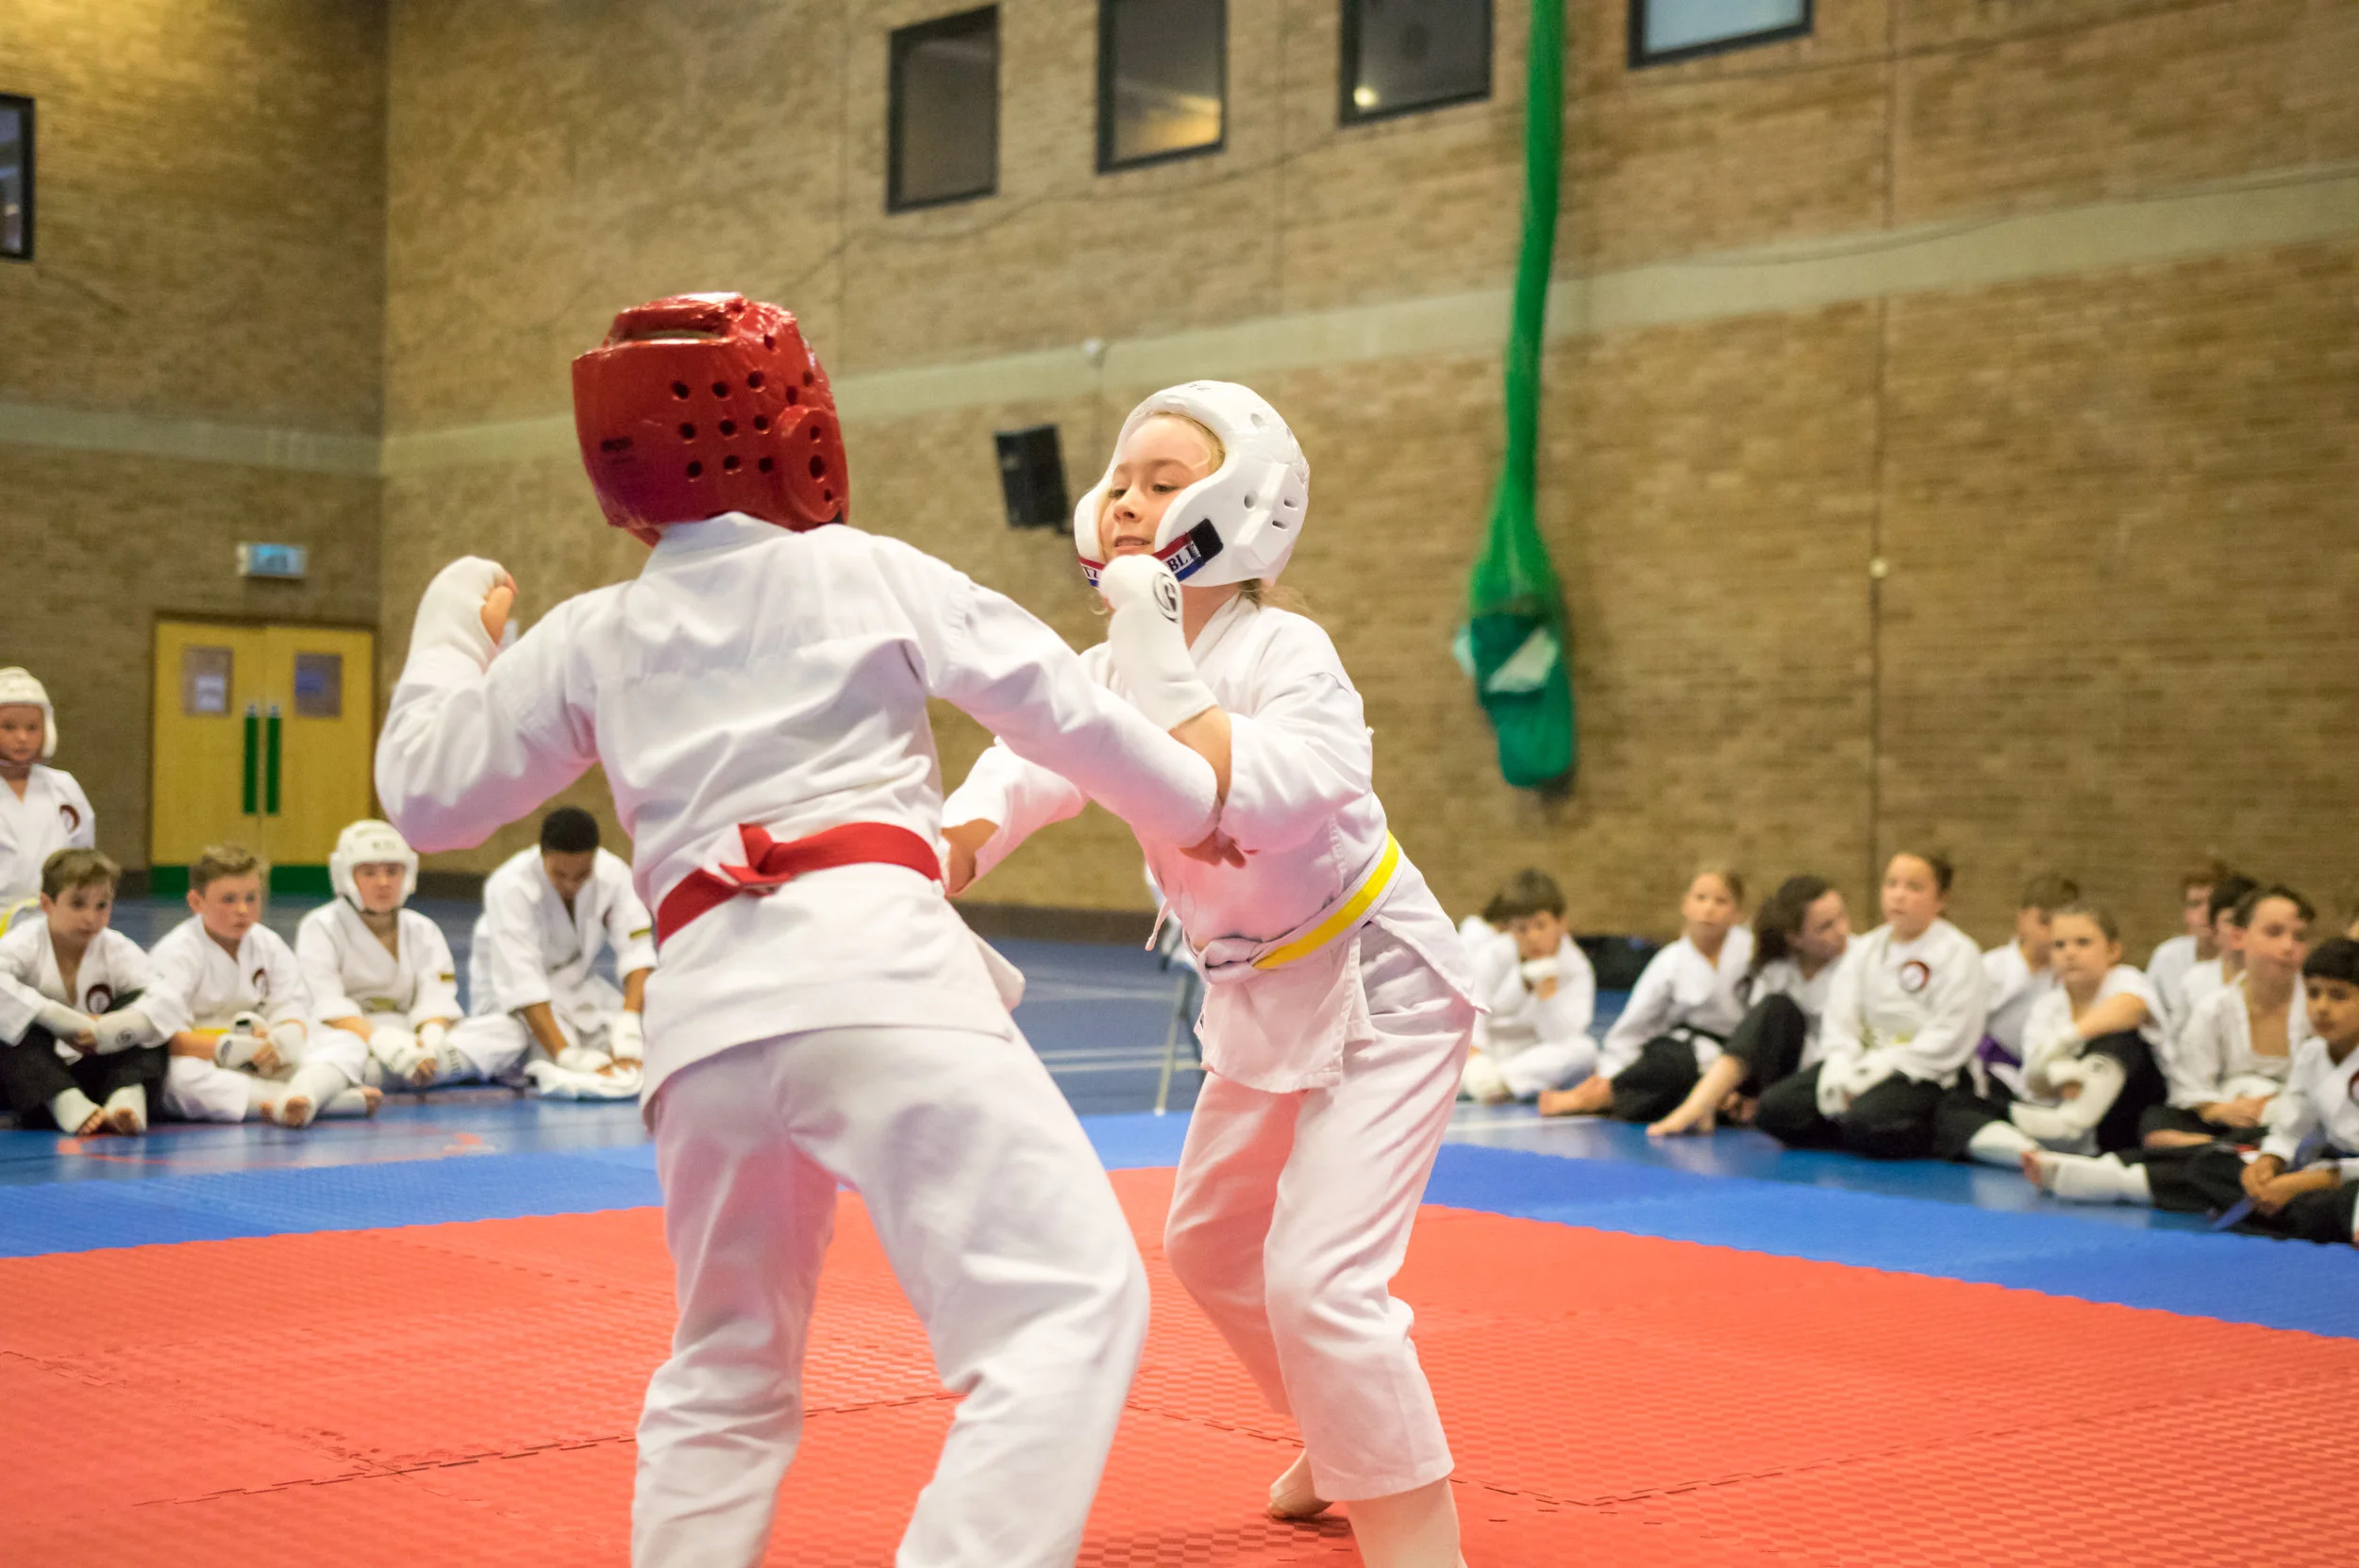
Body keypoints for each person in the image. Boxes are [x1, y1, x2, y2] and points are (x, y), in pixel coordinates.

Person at [374, 293, 1232, 1568]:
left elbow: (426, 794)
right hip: (880, 980)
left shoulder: (596, 633)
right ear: (787, 427)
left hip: (703, 1029)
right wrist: (1200, 803)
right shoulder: (867, 570)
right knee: (1064, 1309)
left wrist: (452, 624)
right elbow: (1076, 719)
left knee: (726, 1368)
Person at [943, 379, 1478, 1566]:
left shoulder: (1288, 651)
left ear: (1243, 505)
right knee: (1210, 1245)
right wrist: (953, 844)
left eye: (1164, 482)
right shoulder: (1109, 670)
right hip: (1255, 991)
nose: (1128, 502)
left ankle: (1418, 1539)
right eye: (1121, 481)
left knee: (1320, 1280)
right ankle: (1338, 1433)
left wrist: (1157, 658)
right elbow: (1030, 762)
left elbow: (1282, 796)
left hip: (1377, 985)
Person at [2024, 938, 2359, 1244]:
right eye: (2313, 994)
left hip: (2343, 1179)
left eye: (2338, 996)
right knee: (2213, 1166)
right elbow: (2290, 1131)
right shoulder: (2312, 1054)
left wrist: (2301, 1183)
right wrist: (2269, 1163)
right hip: (2309, 1166)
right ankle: (2279, 1210)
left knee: (2342, 1201)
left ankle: (2289, 1212)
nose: (2322, 1007)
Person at [1754, 851, 1988, 1159]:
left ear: (1941, 899)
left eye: (1914, 887)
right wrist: (1841, 1069)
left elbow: (1951, 1036)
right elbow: (1840, 1021)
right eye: (1891, 884)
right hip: (1859, 1064)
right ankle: (1859, 1130)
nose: (1898, 895)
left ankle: (1919, 1127)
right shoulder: (1865, 949)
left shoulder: (1960, 953)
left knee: (1867, 1120)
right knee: (1774, 1109)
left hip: (1923, 1073)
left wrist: (1879, 1068)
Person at [151, 843, 377, 1126]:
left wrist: (285, 1040)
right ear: (197, 902)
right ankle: (320, 1100)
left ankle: (302, 1097)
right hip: (211, 1058)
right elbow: (166, 1038)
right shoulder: (175, 953)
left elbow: (291, 1007)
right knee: (178, 1080)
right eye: (228, 900)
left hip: (268, 1058)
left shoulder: (268, 943)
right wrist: (232, 1048)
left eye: (251, 898)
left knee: (346, 1042)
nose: (242, 910)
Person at [1934, 902, 2166, 1167]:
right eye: (2059, 945)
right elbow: (2036, 1082)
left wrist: (2064, 1041)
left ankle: (2069, 1127)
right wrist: (2064, 1074)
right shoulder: (2046, 1007)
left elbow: (2131, 1008)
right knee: (1955, 1107)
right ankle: (2029, 1155)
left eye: (2083, 943)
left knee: (2119, 1038)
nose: (2070, 953)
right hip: (2053, 1116)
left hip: (2120, 1123)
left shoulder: (2125, 980)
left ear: (2113, 950)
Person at [462, 808, 656, 1101]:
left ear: (595, 857)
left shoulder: (614, 875)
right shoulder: (510, 886)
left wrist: (629, 1026)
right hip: (508, 996)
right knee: (537, 1054)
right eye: (559, 874)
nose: (571, 884)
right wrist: (566, 1055)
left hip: (576, 985)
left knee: (651, 1037)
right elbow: (523, 982)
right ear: (542, 856)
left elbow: (638, 953)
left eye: (582, 874)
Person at [1536, 867, 1750, 1124]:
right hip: (1684, 1057)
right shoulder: (1670, 962)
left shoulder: (1750, 952)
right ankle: (1604, 1095)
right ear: (1685, 905)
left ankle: (1719, 1100)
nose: (1709, 909)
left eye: (1721, 901)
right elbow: (1632, 1030)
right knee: (1669, 1064)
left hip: (1742, 1058)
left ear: (1738, 913)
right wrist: (1610, 1077)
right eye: (1701, 898)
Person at [1648, 874, 1850, 1139]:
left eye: (1842, 917)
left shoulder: (1859, 961)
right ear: (1795, 938)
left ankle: (1724, 1102)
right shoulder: (1777, 971)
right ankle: (1701, 1103)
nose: (1842, 931)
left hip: (1835, 1074)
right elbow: (1756, 1040)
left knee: (1774, 1107)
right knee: (1775, 1008)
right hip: (1781, 1076)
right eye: (1825, 927)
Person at [0, 848, 173, 1134]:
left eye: (102, 905)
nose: (91, 917)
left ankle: (125, 1099)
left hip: (95, 1076)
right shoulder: (24, 943)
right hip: (32, 1085)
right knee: (11, 1027)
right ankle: (66, 1103)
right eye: (77, 904)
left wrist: (112, 1028)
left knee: (147, 1019)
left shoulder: (115, 947)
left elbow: (166, 999)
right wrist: (53, 1017)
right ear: (47, 904)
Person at [296, 819, 477, 1090]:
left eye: (392, 871)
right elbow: (327, 1004)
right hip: (350, 1035)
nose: (383, 882)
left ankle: (408, 1069)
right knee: (335, 1051)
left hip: (410, 1033)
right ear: (345, 876)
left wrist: (431, 1038)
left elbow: (437, 998)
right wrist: (385, 1043)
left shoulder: (423, 929)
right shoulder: (320, 926)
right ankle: (427, 1072)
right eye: (369, 873)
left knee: (499, 1033)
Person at [2142, 884, 2315, 1146]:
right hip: (2228, 1121)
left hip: (2296, 1125)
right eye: (2274, 932)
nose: (2288, 946)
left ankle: (2226, 1153)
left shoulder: (2319, 1009)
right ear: (2238, 937)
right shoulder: (2214, 1008)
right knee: (2156, 1123)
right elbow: (2191, 1086)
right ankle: (2225, 1151)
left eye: (2300, 937)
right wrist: (2218, 1109)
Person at [1460, 868, 1596, 1104]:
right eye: (1521, 929)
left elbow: (1562, 1039)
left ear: (1561, 924)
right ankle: (1487, 1083)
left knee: (1585, 1051)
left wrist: (1548, 995)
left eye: (1540, 925)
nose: (1532, 937)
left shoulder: (1576, 969)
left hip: (1533, 1057)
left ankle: (1496, 1083)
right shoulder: (1494, 955)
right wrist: (1475, 1060)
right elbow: (1471, 1012)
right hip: (1487, 1051)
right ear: (1511, 930)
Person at [0, 667, 95, 925]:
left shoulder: (63, 788)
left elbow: (83, 860)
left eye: (32, 727)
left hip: (53, 921)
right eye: (8, 727)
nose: (22, 737)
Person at [1979, 873, 2077, 1071]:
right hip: (1988, 1068)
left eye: (2063, 925)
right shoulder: (1990, 968)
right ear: (2022, 919)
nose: (2053, 933)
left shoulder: (2073, 978)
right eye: (2044, 922)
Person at [2146, 858, 2229, 1037]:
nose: (2206, 912)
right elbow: (2150, 1020)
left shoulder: (2240, 959)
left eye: (2213, 903)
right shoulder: (2167, 957)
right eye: (2195, 904)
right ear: (2186, 914)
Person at [2173, 874, 2260, 1032]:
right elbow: (2177, 1040)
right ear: (2214, 929)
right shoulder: (2194, 981)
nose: (2239, 931)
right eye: (2230, 921)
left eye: (2246, 921)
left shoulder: (2279, 980)